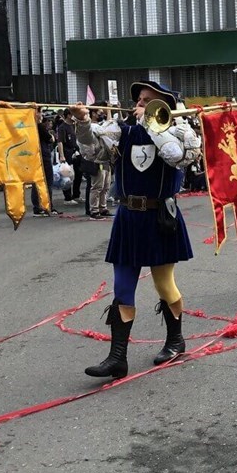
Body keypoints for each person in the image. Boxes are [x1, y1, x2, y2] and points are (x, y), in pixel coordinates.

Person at [72, 81, 201, 378]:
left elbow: (178, 157)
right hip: (129, 216)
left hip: (160, 216)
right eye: (139, 100)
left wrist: (154, 125)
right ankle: (117, 357)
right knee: (122, 286)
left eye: (148, 102)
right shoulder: (122, 130)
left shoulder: (180, 132)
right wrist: (82, 121)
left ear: (164, 107)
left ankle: (175, 339)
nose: (139, 106)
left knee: (163, 284)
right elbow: (92, 150)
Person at [32, 110, 63, 216]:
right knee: (46, 182)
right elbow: (51, 139)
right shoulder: (39, 126)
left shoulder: (29, 127)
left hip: (35, 156)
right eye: (39, 112)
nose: (41, 115)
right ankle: (47, 206)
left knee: (37, 182)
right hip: (43, 156)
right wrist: (51, 136)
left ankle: (38, 207)